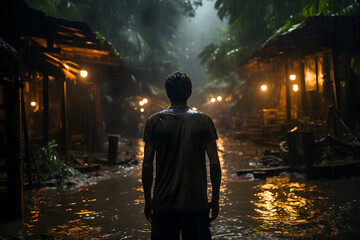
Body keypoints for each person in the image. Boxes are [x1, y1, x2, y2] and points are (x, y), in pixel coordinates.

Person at [142, 72, 221, 240]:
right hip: (196, 205)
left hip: (163, 205)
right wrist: (215, 199)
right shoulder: (204, 120)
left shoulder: (154, 121)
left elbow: (147, 165)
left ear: (168, 93)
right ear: (189, 93)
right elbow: (214, 163)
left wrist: (148, 200)